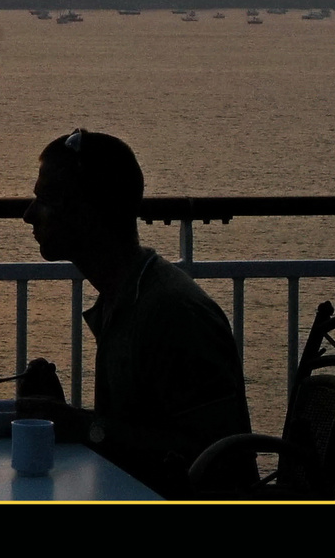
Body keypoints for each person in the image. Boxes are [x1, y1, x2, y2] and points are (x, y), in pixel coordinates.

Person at [18, 128, 253, 498]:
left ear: (86, 212)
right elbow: (146, 436)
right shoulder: (131, 295)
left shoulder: (173, 315)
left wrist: (82, 425)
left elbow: (214, 459)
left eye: (45, 199)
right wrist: (61, 416)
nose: (29, 215)